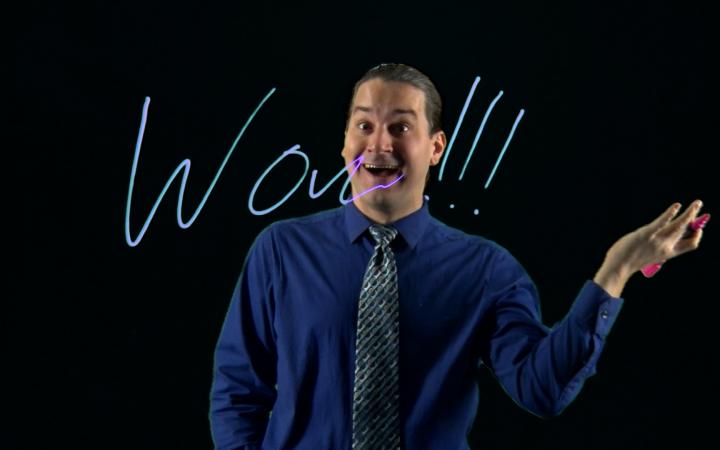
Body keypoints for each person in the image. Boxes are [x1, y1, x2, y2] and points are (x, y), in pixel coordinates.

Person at [209, 63, 706, 449]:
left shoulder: (486, 270)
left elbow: (542, 389)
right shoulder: (280, 250)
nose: (378, 144)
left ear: (435, 147)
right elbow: (237, 390)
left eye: (401, 128)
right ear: (344, 144)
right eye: (364, 126)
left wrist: (614, 271)